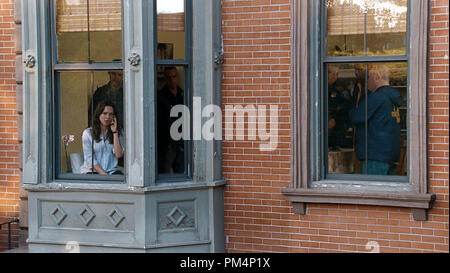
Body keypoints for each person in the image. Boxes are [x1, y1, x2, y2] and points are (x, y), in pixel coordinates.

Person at [349, 65, 402, 175]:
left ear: (377, 77)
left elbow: (356, 116)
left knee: (372, 190)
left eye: (369, 77)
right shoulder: (392, 98)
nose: (367, 81)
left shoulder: (377, 97)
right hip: (391, 155)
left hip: (375, 156)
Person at [80, 101, 125, 175]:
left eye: (111, 114)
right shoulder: (88, 133)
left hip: (111, 171)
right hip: (92, 171)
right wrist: (104, 174)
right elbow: (89, 158)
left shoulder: (118, 132)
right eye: (105, 113)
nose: (107, 117)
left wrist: (115, 132)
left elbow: (118, 155)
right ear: (99, 114)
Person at [157, 67, 185, 174]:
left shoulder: (183, 94)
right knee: (164, 173)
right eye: (169, 77)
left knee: (182, 173)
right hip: (166, 144)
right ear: (165, 78)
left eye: (174, 76)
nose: (172, 80)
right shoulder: (160, 96)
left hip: (181, 143)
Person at [328, 65, 352, 150]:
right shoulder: (321, 85)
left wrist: (334, 117)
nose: (326, 75)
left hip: (338, 126)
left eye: (329, 73)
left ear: (336, 74)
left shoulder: (341, 88)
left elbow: (347, 105)